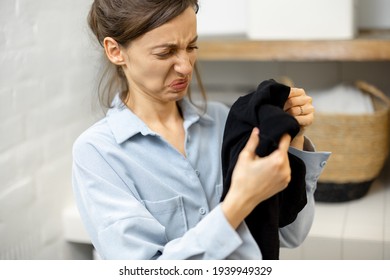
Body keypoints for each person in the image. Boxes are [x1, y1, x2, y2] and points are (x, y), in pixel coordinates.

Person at [72, 0, 330, 260]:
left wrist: (293, 138)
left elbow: (289, 234)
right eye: (165, 52)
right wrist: (239, 203)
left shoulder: (224, 121)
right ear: (115, 51)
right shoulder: (98, 153)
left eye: (192, 46)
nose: (186, 66)